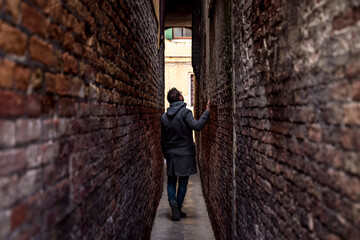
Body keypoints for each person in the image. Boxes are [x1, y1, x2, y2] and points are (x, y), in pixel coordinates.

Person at [160, 87, 210, 221]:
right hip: (185, 154)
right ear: (180, 98)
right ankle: (179, 206)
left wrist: (166, 154)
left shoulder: (164, 118)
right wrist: (206, 112)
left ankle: (173, 202)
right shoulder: (185, 113)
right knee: (183, 181)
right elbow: (197, 126)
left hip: (171, 153)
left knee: (171, 180)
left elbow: (163, 140)